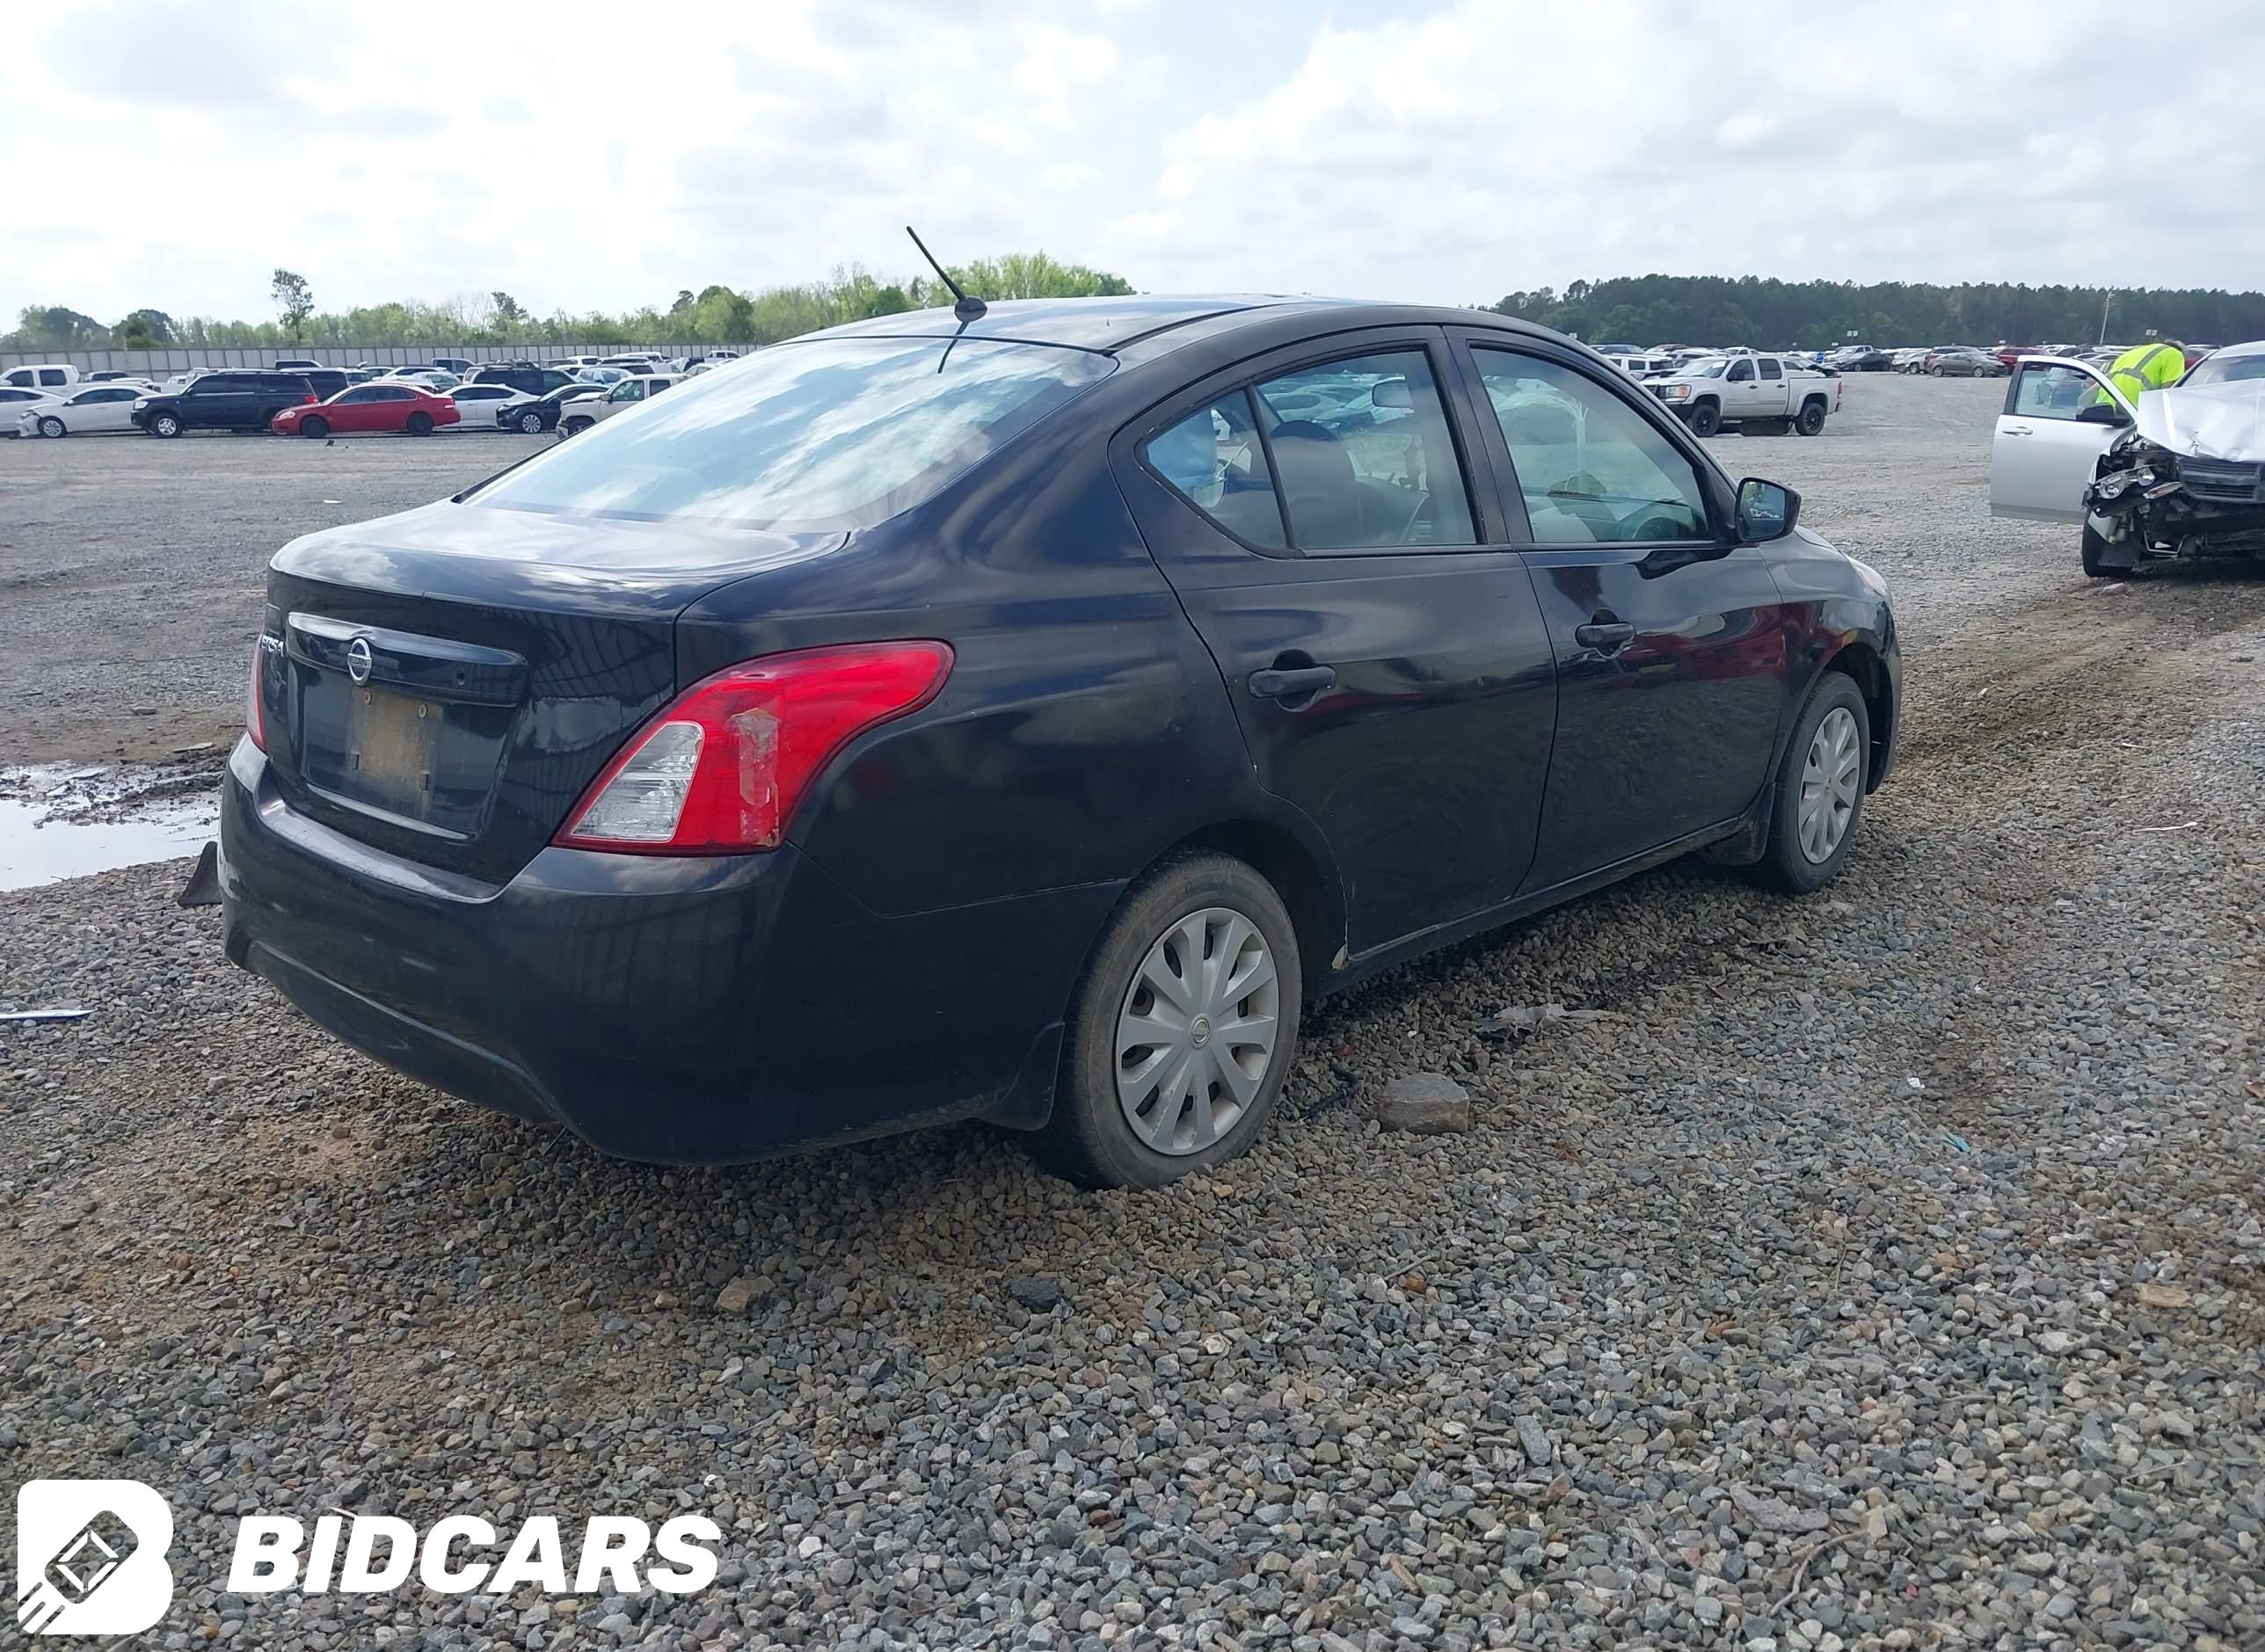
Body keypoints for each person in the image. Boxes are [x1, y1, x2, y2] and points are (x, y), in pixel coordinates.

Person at [2101, 339, 2186, 404]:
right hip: (2133, 406)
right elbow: (2168, 391)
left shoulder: (2132, 353)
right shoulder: (2175, 354)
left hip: (2103, 404)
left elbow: (2100, 384)